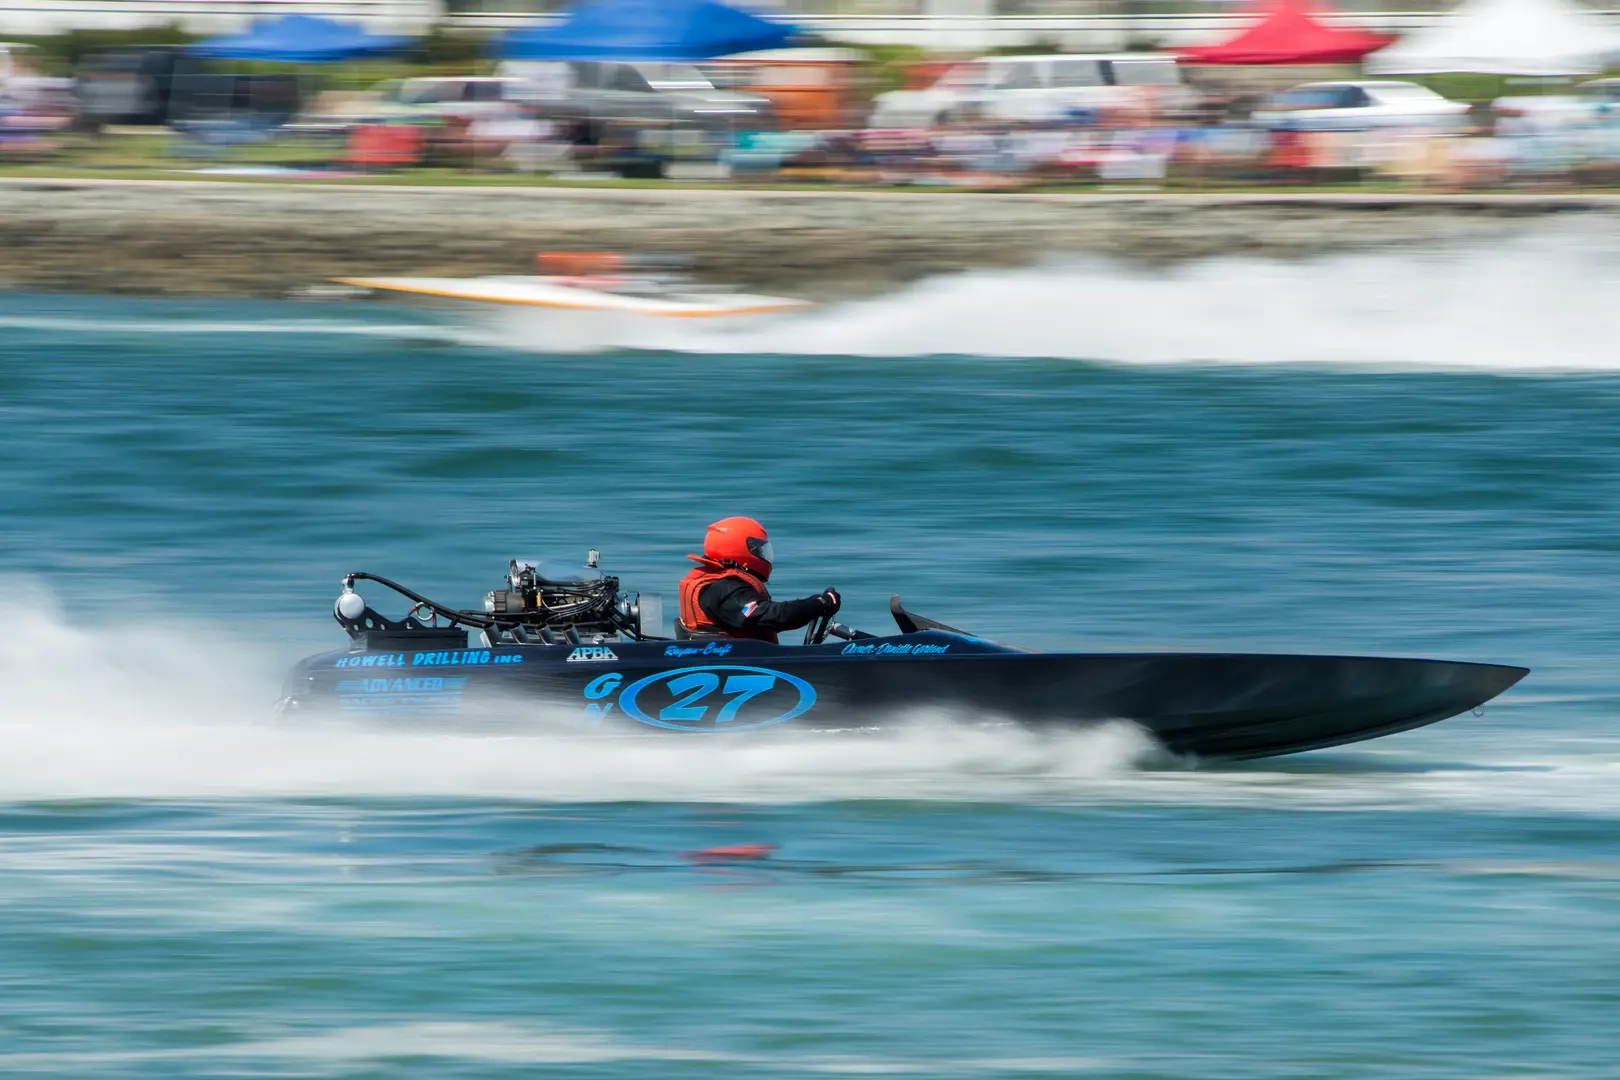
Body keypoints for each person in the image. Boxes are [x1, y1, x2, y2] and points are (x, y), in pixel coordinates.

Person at [677, 517, 839, 643]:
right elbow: (771, 616)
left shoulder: (715, 582)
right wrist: (818, 604)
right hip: (736, 665)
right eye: (759, 550)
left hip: (736, 661)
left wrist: (813, 604)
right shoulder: (723, 589)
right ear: (739, 549)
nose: (763, 555)